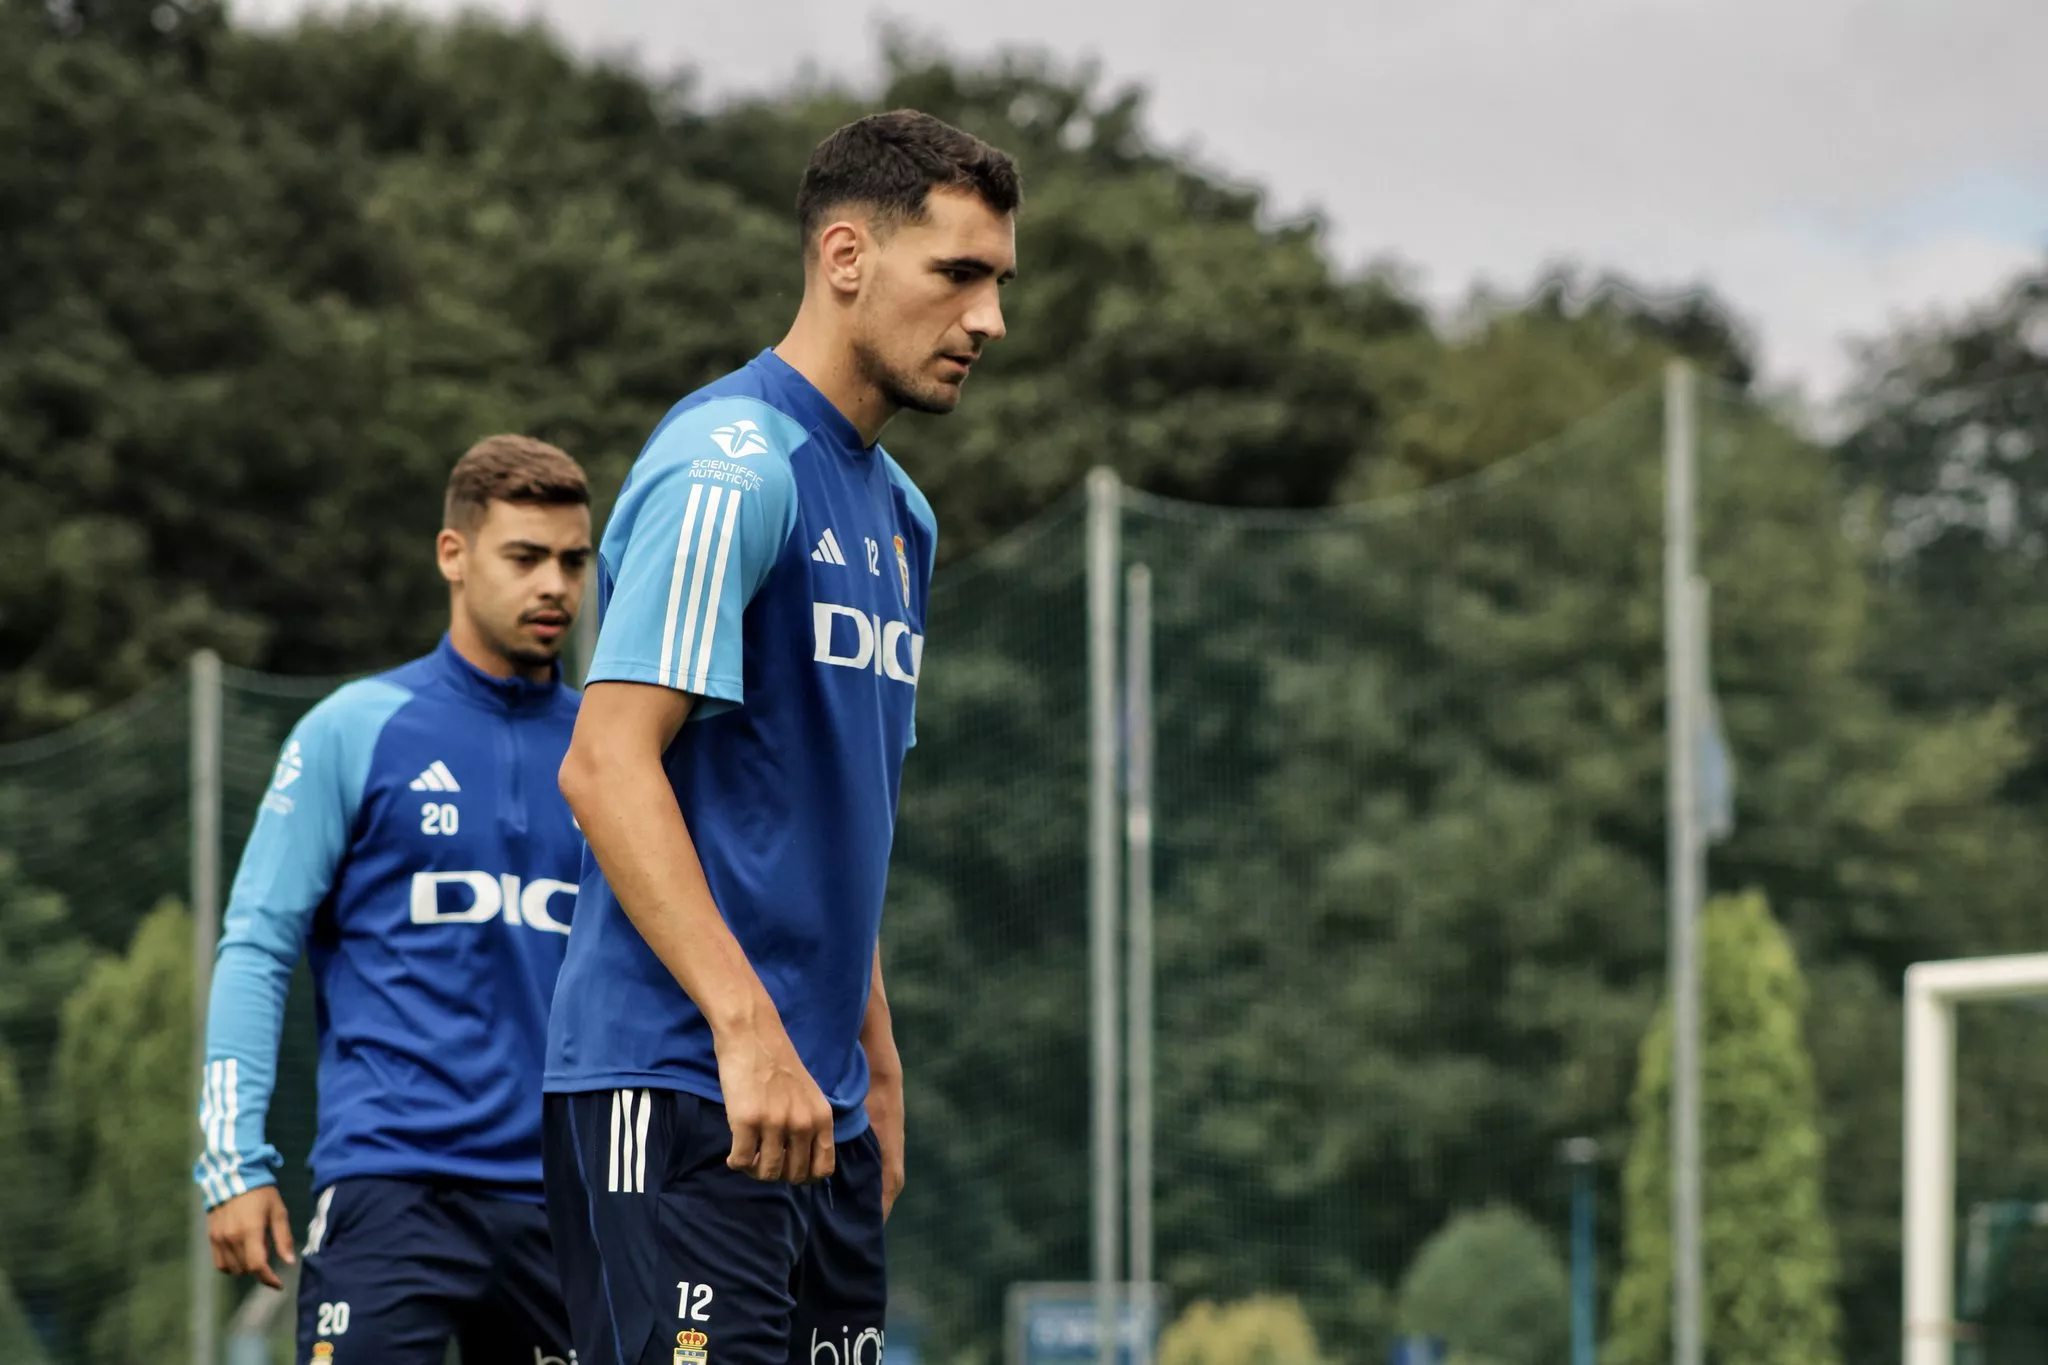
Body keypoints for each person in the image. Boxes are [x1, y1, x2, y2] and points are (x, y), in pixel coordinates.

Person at [542, 108, 1020, 1365]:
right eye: (957, 275)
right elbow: (604, 762)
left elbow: (823, 806)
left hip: (819, 1111)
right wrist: (746, 1031)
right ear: (845, 257)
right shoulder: (728, 466)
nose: (988, 320)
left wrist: (874, 1053)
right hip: (684, 1081)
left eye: (998, 282)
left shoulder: (902, 517)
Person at [195, 435, 592, 1365]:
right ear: (453, 556)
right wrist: (231, 1165)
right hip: (391, 1188)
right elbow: (256, 947)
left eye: (573, 561)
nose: (555, 588)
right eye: (525, 557)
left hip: (567, 1205)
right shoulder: (351, 729)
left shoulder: (615, 754)